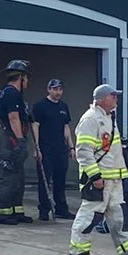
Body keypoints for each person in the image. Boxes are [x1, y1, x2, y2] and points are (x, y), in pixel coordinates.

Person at [67, 84, 128, 255]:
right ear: (103, 99)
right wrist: (95, 177)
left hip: (113, 178)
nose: (116, 99)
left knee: (120, 215)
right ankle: (78, 249)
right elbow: (83, 152)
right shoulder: (90, 119)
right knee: (90, 214)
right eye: (114, 96)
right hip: (98, 179)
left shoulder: (108, 118)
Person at [0, 59, 33, 225]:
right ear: (21, 77)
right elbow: (13, 117)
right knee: (7, 177)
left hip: (11, 138)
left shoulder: (6, 93)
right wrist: (20, 140)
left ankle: (15, 211)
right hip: (10, 140)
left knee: (17, 178)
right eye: (26, 78)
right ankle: (0, 213)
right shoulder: (11, 93)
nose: (28, 82)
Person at [29, 79, 75, 222]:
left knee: (60, 180)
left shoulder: (63, 107)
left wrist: (71, 146)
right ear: (48, 90)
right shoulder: (40, 106)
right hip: (46, 149)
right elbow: (35, 125)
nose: (58, 92)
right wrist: (36, 147)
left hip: (60, 149)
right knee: (44, 181)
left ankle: (61, 209)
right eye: (55, 89)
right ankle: (44, 210)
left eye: (60, 89)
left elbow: (66, 127)